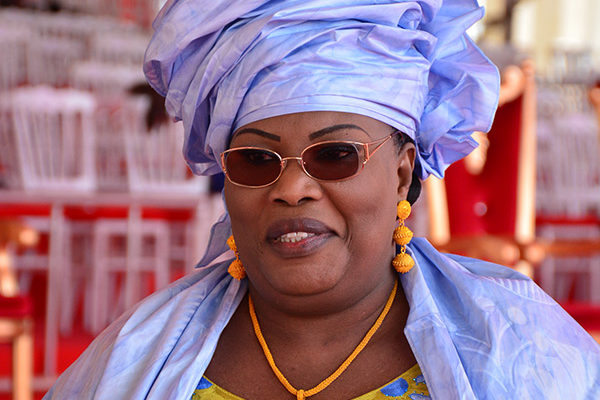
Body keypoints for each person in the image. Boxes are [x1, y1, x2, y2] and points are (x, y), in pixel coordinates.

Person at [45, 0, 600, 399]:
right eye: (255, 160)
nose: (291, 189)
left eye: (335, 155)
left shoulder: (521, 353)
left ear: (402, 172)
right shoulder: (134, 360)